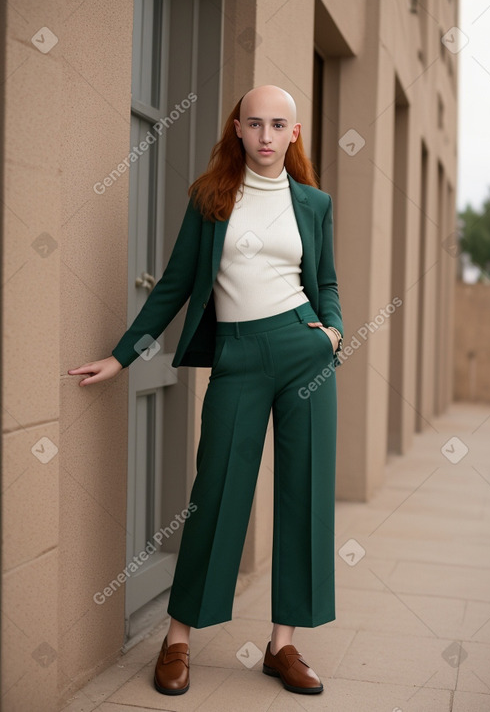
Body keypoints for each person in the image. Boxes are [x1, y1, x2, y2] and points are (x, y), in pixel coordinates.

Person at [69, 84, 344, 696]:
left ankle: (283, 644)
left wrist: (333, 335)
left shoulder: (313, 203)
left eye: (279, 125)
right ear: (238, 129)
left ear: (293, 133)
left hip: (305, 353)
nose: (267, 135)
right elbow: (172, 285)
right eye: (256, 124)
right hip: (239, 355)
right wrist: (121, 356)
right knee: (216, 493)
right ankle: (178, 639)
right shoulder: (212, 197)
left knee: (304, 493)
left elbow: (325, 281)